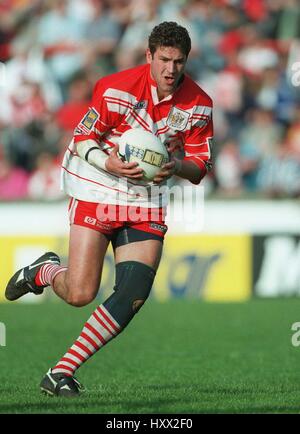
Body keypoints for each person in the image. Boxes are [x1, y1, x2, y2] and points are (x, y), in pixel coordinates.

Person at [5, 21, 213, 397]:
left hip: (146, 199)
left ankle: (60, 373)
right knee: (80, 292)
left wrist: (175, 166)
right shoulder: (117, 87)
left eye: (179, 62)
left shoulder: (199, 104)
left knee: (133, 291)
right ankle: (45, 271)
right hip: (97, 184)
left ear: (187, 61)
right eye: (164, 60)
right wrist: (110, 163)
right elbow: (84, 137)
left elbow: (200, 165)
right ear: (149, 56)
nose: (171, 69)